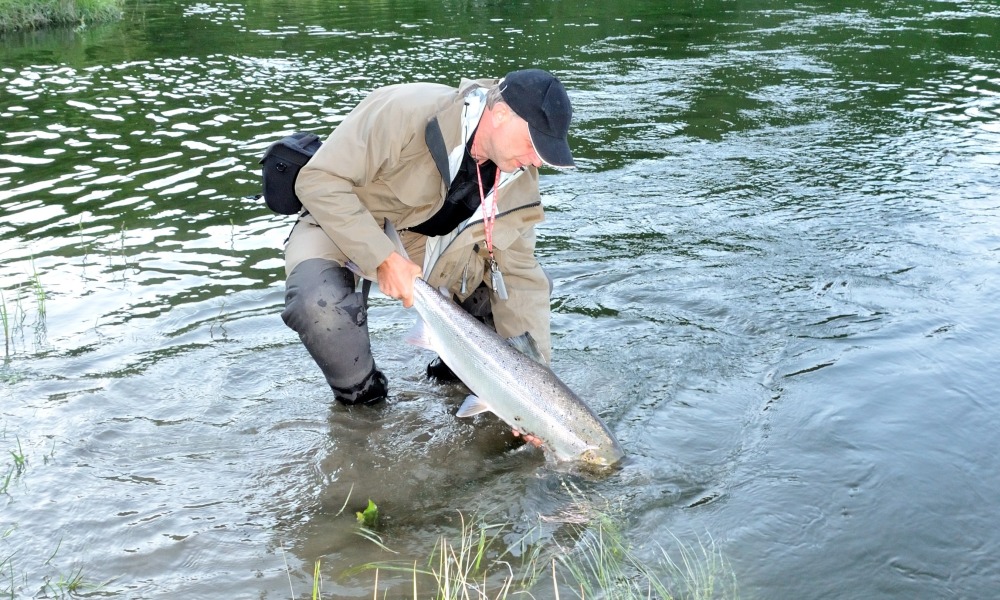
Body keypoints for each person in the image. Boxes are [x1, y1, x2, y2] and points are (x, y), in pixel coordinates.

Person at [281, 68, 574, 407]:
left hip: (430, 246)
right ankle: (364, 399)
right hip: (342, 219)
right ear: (501, 114)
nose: (536, 160)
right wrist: (383, 257)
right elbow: (318, 180)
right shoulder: (405, 109)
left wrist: (538, 397)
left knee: (505, 294)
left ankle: (459, 374)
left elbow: (521, 278)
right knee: (316, 301)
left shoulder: (520, 178)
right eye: (533, 144)